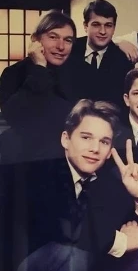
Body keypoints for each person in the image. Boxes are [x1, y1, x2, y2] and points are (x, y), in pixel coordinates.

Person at [14, 99, 138, 271]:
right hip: (29, 270)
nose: (95, 148)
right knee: (71, 253)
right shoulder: (41, 171)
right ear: (66, 139)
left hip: (87, 264)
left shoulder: (108, 178)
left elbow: (135, 230)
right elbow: (66, 232)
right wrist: (122, 243)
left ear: (110, 150)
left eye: (104, 142)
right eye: (86, 137)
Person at [0, 10, 80, 161]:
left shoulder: (78, 73)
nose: (61, 46)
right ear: (35, 40)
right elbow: (14, 116)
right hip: (24, 158)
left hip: (66, 159)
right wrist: (40, 69)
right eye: (53, 37)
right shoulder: (13, 73)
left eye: (68, 40)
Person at [66, 0, 133, 114]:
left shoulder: (123, 60)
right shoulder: (69, 49)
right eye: (96, 25)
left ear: (114, 28)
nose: (103, 31)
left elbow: (123, 104)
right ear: (85, 26)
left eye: (108, 25)